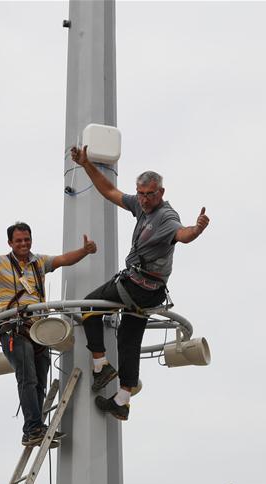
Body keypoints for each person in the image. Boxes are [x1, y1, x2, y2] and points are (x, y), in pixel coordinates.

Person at [69, 145, 210, 421]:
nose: (144, 200)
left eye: (150, 195)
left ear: (161, 193)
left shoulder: (166, 217)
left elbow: (183, 234)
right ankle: (122, 400)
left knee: (88, 307)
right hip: (149, 293)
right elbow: (110, 191)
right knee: (128, 340)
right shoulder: (141, 207)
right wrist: (86, 165)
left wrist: (198, 228)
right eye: (142, 194)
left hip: (137, 286)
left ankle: (100, 364)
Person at [0, 222, 97, 446]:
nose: (23, 244)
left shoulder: (39, 262)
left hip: (38, 331)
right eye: (19, 240)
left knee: (40, 379)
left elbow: (63, 260)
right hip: (14, 328)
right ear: (10, 243)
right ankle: (33, 428)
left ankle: (33, 428)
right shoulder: (0, 263)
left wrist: (84, 251)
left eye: (27, 239)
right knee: (27, 376)